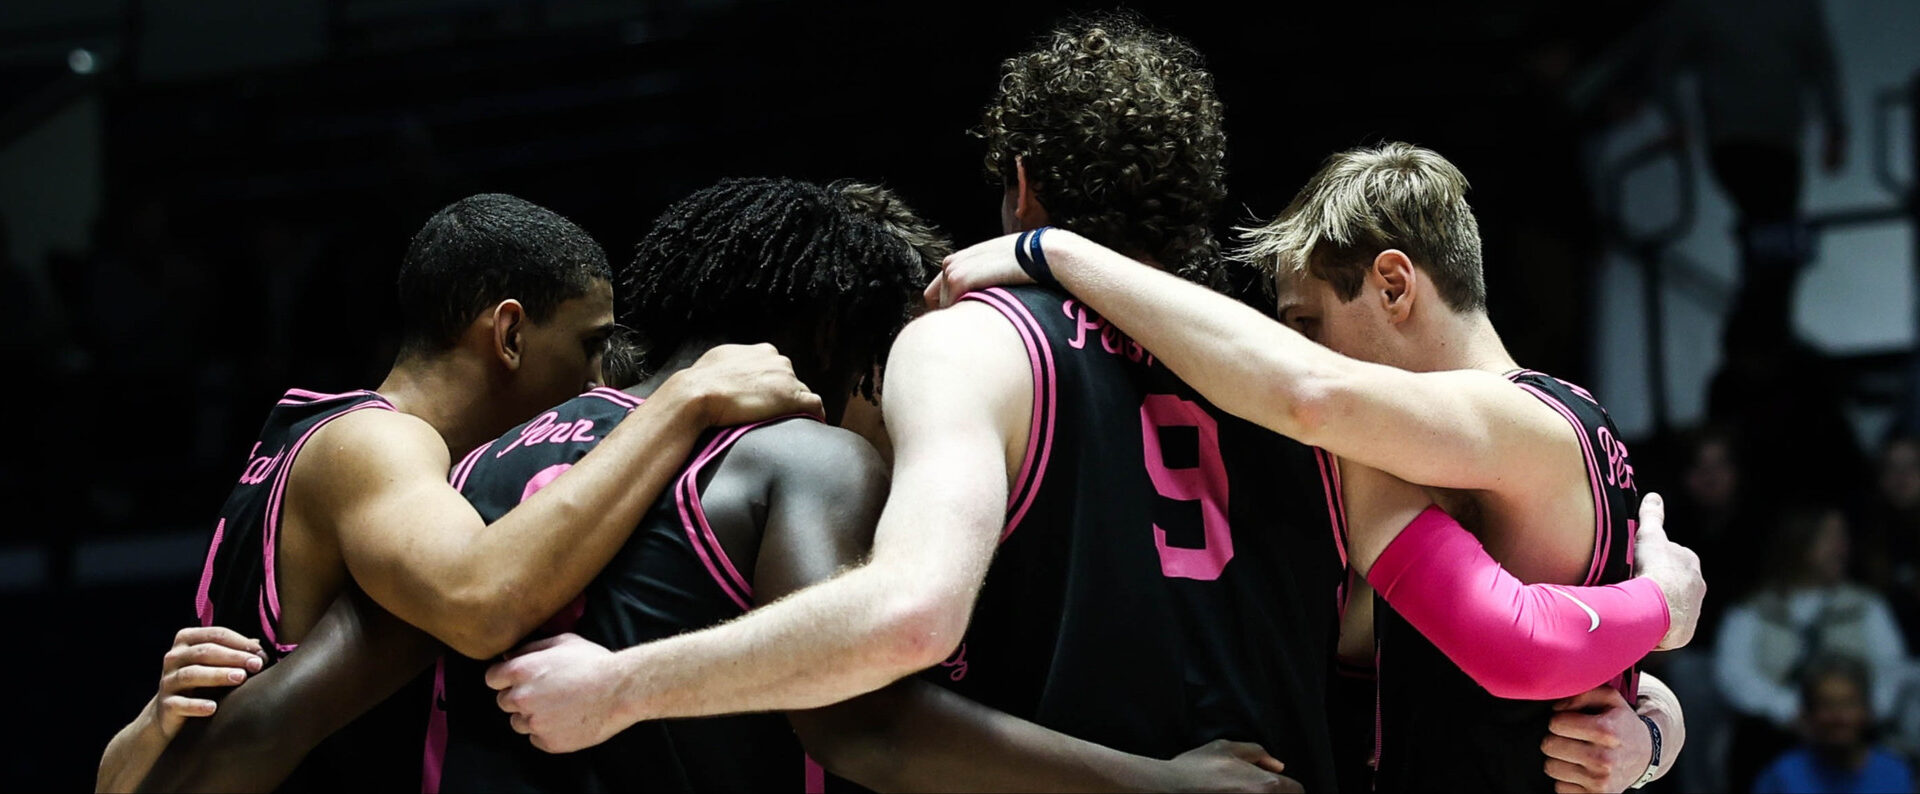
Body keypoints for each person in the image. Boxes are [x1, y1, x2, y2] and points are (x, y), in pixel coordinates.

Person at [490, 19, 1699, 794]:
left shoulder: (971, 344)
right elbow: (1486, 645)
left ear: (1020, 188)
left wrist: (624, 682)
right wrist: (1650, 707)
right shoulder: (1319, 406)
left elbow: (906, 621)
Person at [131, 177, 1293, 793]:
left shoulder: (473, 479)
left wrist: (141, 736)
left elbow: (263, 724)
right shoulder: (797, 458)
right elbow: (866, 725)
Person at [933, 141, 1703, 792]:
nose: (1303, 347)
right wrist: (1652, 732)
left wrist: (1054, 251)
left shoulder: (1510, 421)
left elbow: (1308, 395)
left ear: (1394, 286)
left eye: (1308, 321)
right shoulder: (1483, 448)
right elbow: (1574, 675)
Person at [96, 193, 817, 793]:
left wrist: (149, 726)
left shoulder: (304, 441)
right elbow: (482, 604)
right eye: (588, 344)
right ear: (509, 333)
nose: (599, 383)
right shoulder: (375, 443)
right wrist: (684, 399)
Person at [1718, 505, 1911, 792]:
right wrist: (1790, 711)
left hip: (1859, 730)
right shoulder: (1753, 610)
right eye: (1831, 538)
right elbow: (1735, 674)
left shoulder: (1866, 605)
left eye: (1843, 538)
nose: (1842, 548)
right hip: (1774, 734)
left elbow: (1892, 668)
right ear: (1798, 543)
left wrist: (1862, 711)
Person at [1754, 655, 1916, 794]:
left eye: (1849, 704)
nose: (1839, 717)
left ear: (1867, 710)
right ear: (1808, 714)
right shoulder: (1783, 776)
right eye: (1827, 705)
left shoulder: (1895, 773)